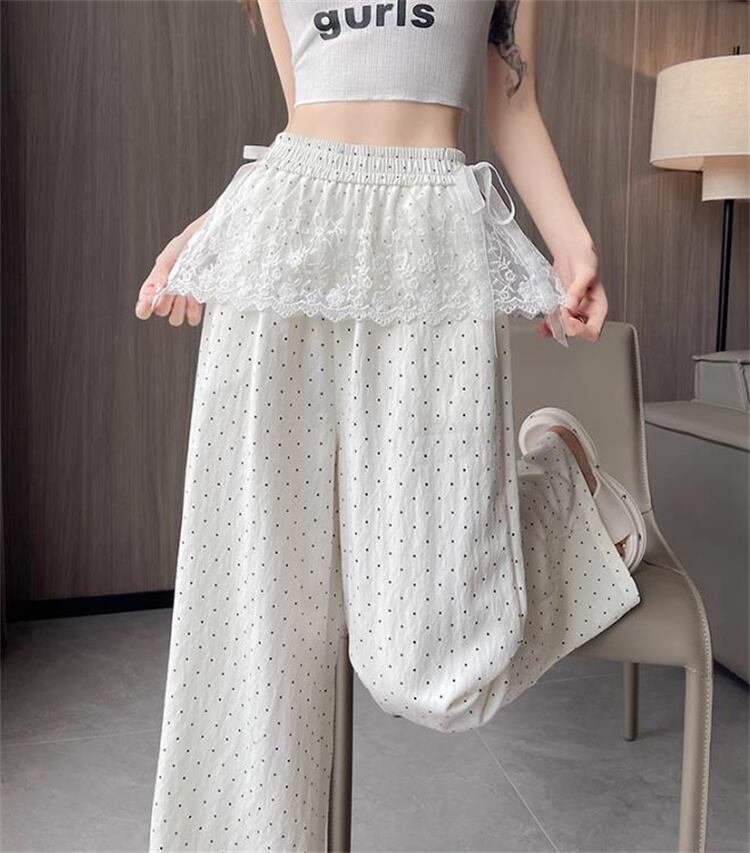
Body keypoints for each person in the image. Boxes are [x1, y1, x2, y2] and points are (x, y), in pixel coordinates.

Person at [135, 2, 644, 850]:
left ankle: (565, 488)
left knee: (432, 664)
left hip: (431, 242)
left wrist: (571, 243)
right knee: (251, 632)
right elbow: (304, 115)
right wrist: (217, 229)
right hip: (283, 243)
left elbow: (514, 103)